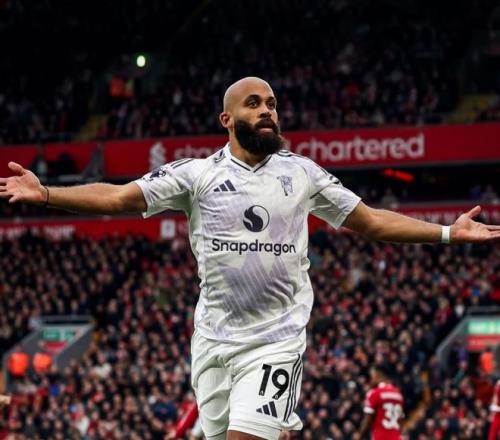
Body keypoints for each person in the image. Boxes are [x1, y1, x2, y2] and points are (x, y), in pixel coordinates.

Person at [0, 76, 499, 440]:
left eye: (272, 104)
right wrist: (47, 194)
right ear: (227, 119)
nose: (267, 112)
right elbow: (118, 197)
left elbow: (370, 219)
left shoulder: (302, 174)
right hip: (213, 342)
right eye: (254, 103)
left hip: (275, 341)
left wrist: (446, 233)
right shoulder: (196, 175)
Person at [353, 364, 404, 440]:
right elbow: (401, 420)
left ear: (377, 375)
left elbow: (367, 421)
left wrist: (359, 436)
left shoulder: (374, 393)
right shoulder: (398, 395)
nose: (371, 380)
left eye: (372, 376)